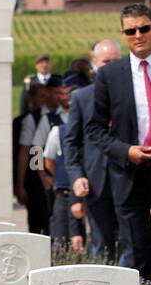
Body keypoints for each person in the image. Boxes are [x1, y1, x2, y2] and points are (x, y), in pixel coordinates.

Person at [87, 2, 151, 281]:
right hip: (129, 175)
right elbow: (94, 128)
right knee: (137, 255)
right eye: (131, 31)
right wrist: (125, 151)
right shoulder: (110, 75)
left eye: (144, 28)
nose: (138, 35)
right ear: (123, 33)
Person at [61, 39, 121, 260]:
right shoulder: (82, 98)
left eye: (115, 61)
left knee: (133, 243)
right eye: (105, 61)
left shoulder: (134, 95)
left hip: (129, 180)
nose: (110, 66)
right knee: (101, 246)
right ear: (94, 64)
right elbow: (71, 142)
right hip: (96, 184)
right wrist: (76, 177)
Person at [44, 86, 86, 251]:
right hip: (61, 183)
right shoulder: (48, 119)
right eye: (60, 92)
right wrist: (40, 174)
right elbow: (35, 149)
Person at [16, 83, 53, 236]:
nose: (45, 100)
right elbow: (31, 150)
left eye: (47, 96)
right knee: (39, 220)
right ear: (31, 98)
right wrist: (39, 173)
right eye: (41, 96)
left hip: (56, 174)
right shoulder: (33, 119)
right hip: (39, 176)